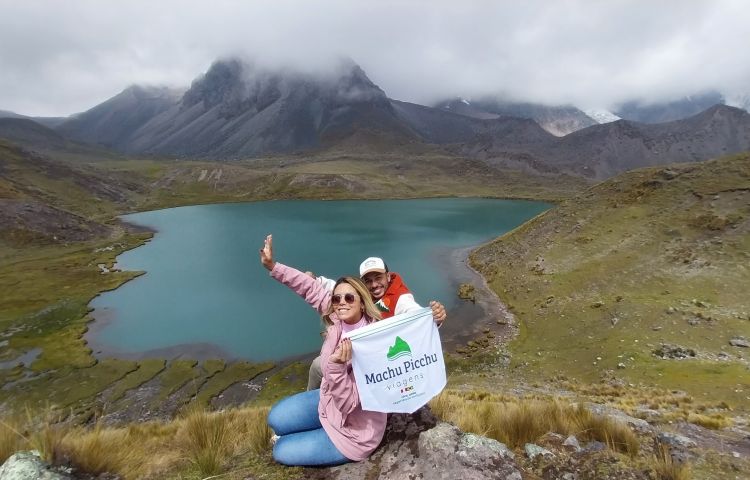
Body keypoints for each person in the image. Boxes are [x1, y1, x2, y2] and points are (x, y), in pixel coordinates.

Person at [260, 234, 387, 466]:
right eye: (337, 298)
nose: (342, 302)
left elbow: (350, 404)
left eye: (349, 297)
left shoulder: (373, 341)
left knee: (281, 450)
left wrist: (337, 367)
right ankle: (317, 426)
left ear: (362, 301)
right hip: (328, 403)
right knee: (275, 418)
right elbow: (310, 288)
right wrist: (273, 266)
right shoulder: (337, 318)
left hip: (354, 430)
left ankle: (322, 437)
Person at [306, 257, 447, 390]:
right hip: (364, 354)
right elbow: (335, 287)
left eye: (378, 278)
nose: (374, 285)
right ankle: (319, 402)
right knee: (318, 366)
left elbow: (414, 313)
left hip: (385, 362)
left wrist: (433, 318)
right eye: (368, 281)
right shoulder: (362, 295)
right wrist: (315, 281)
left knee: (319, 365)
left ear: (388, 276)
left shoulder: (400, 299)